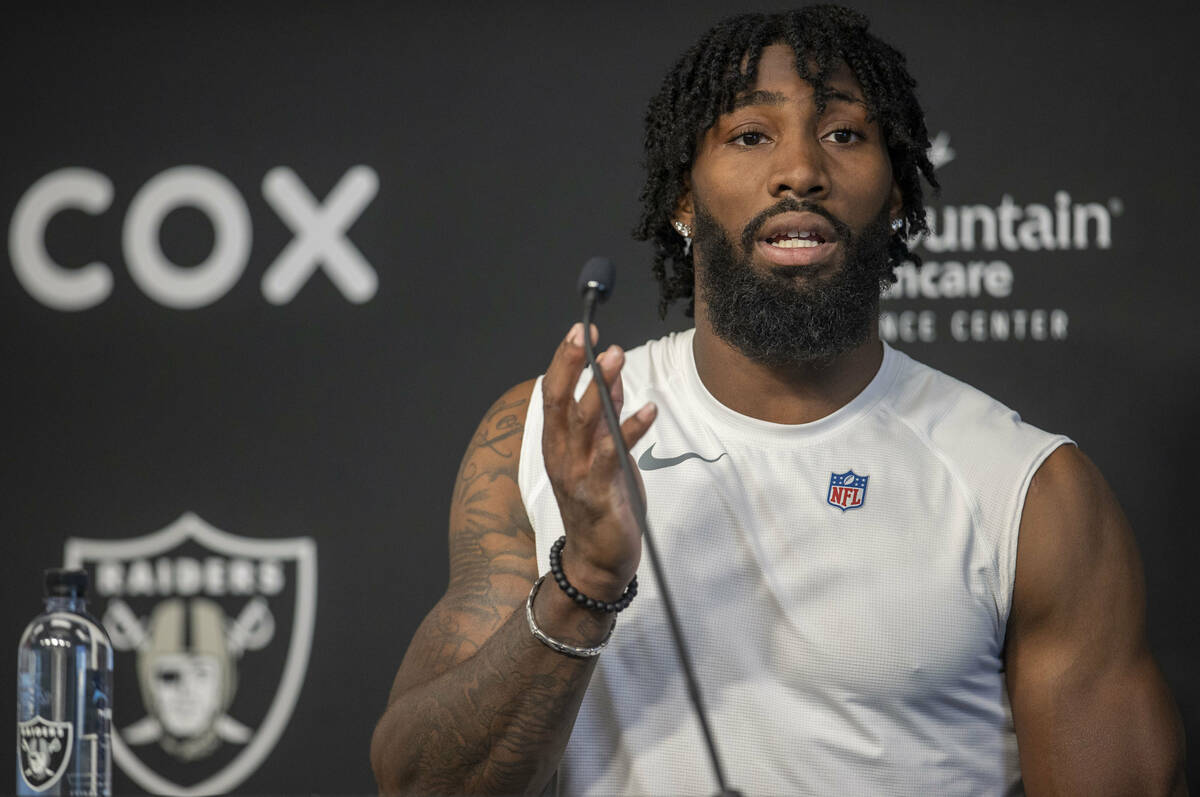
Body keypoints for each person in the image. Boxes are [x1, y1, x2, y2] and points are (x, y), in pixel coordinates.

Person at [370, 7, 1187, 794]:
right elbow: (418, 784)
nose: (801, 170)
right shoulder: (555, 439)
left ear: (896, 195)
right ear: (683, 199)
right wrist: (583, 581)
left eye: (844, 134)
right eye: (751, 135)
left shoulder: (1029, 491)